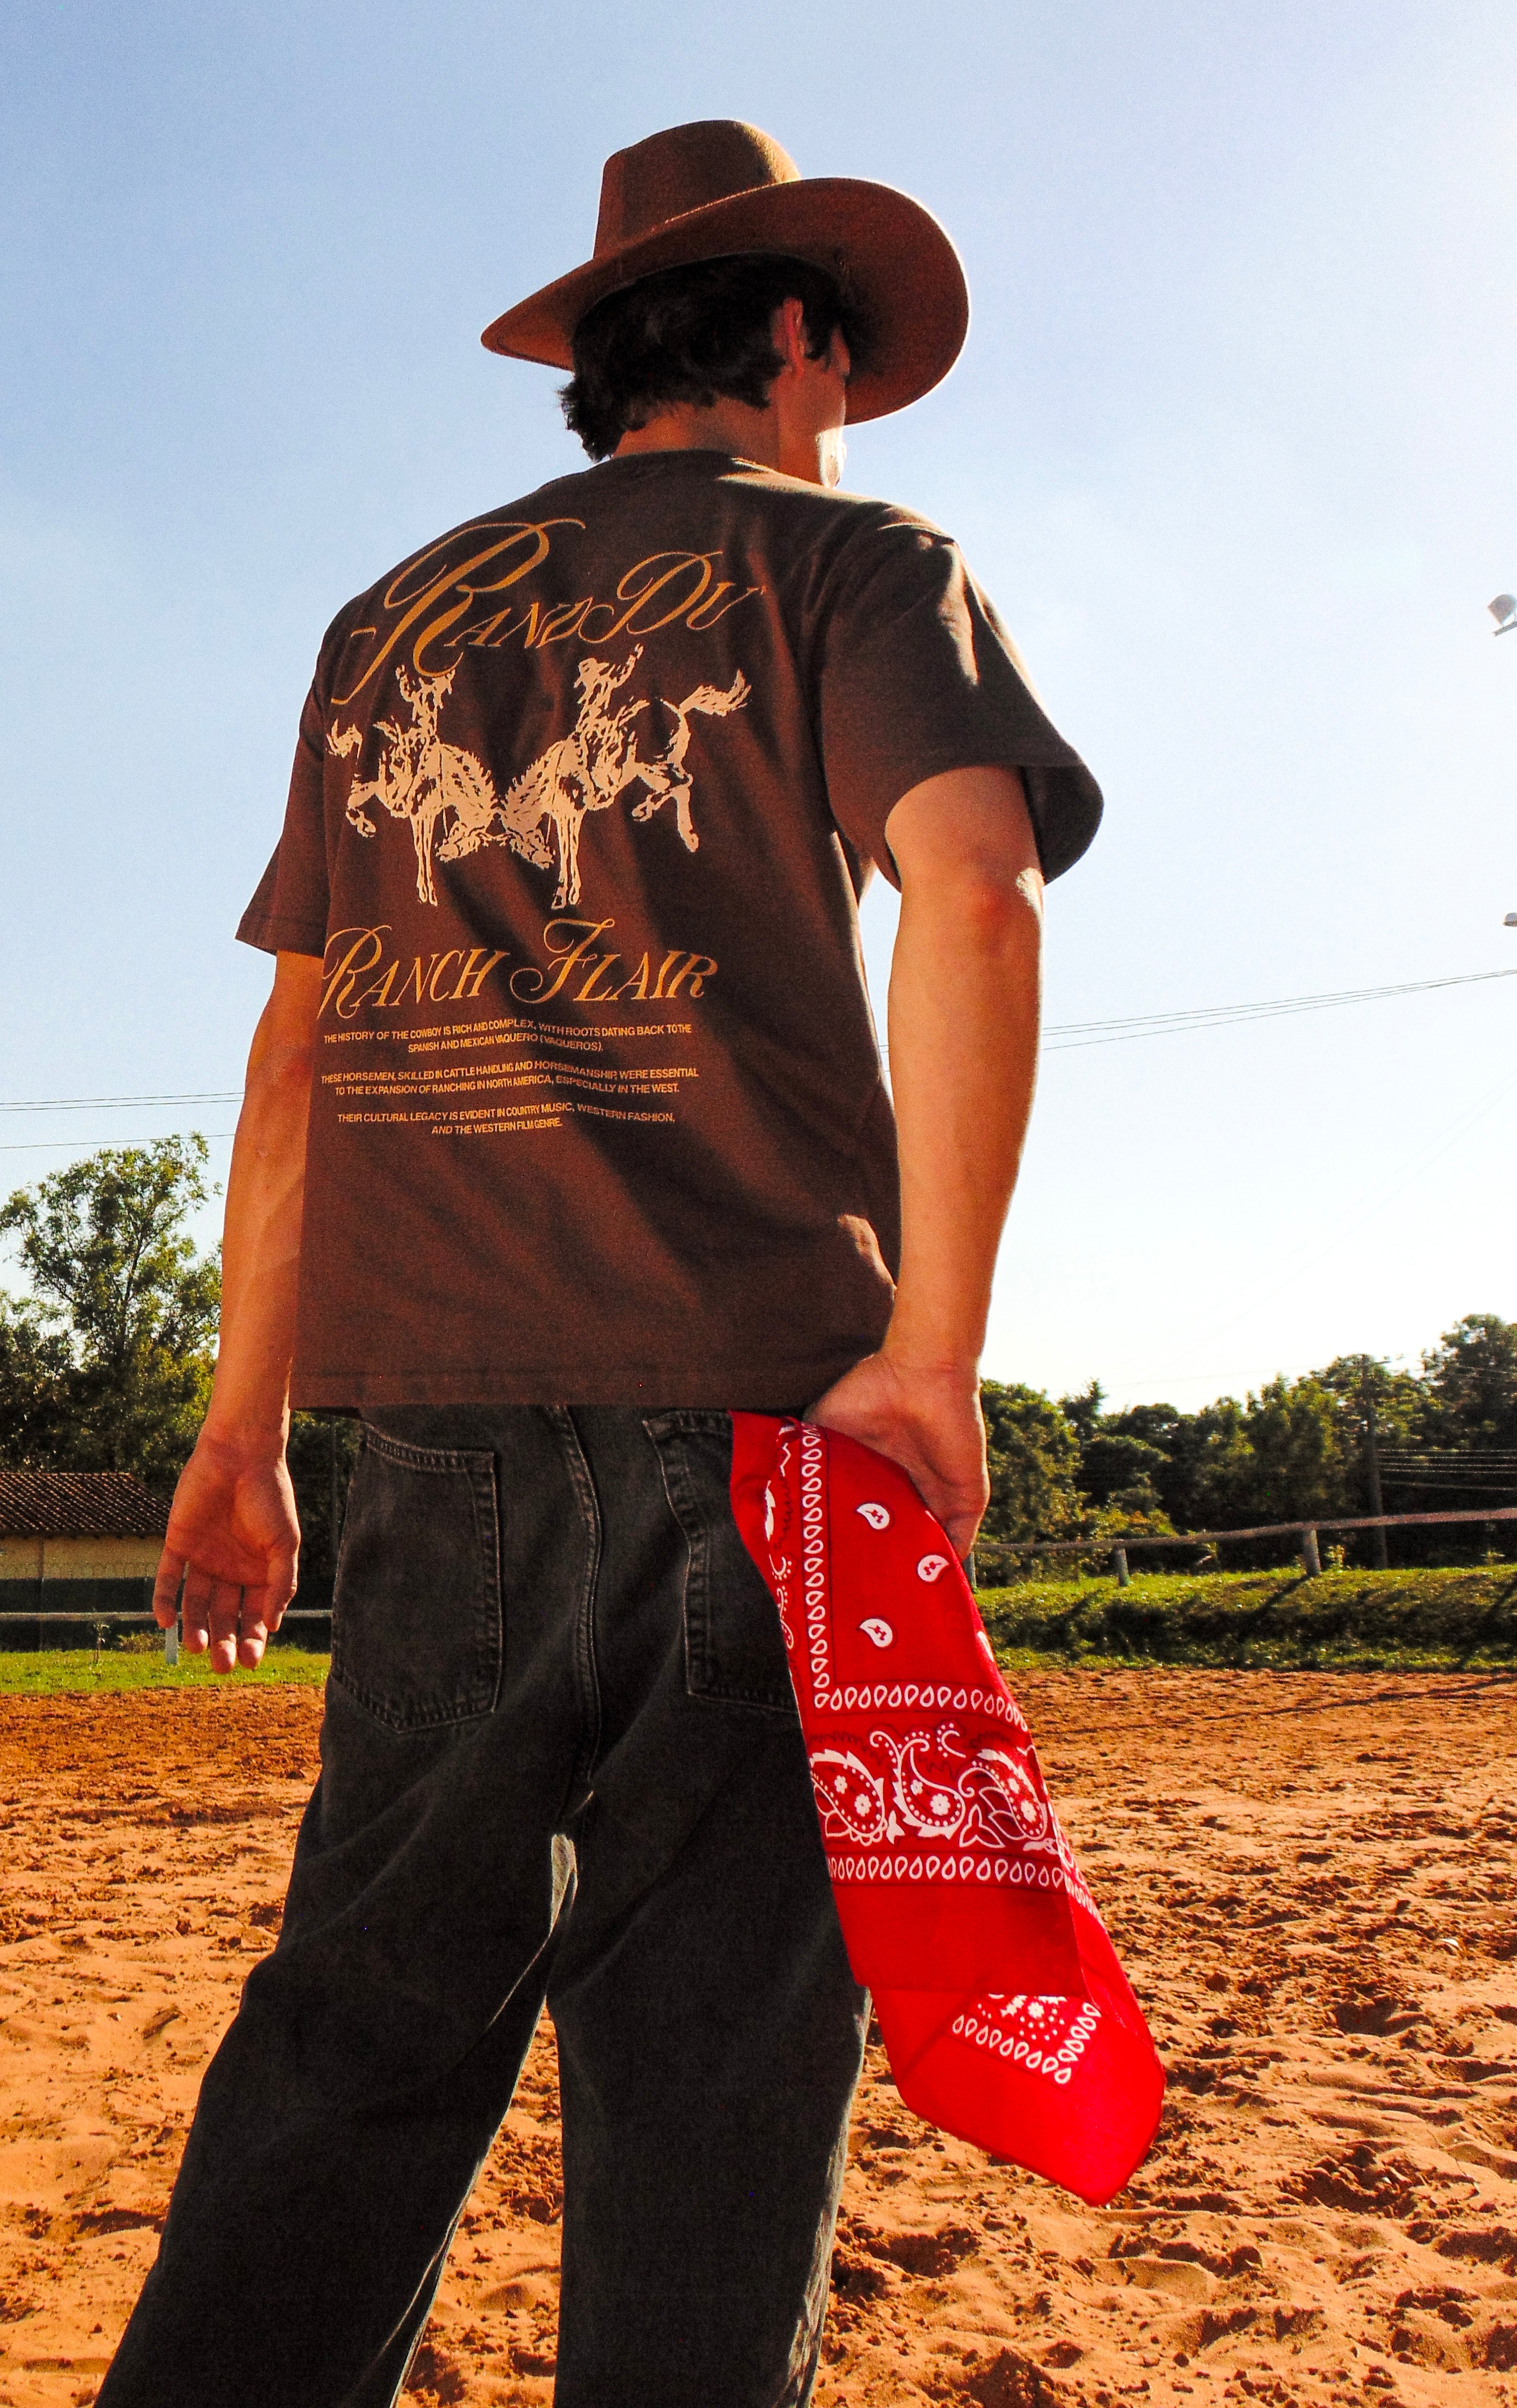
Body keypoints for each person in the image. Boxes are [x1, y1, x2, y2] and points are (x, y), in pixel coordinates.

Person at [98, 119, 1101, 2408]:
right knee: (718, 2057)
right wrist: (934, 1354)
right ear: (785, 334)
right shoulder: (856, 563)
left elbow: (296, 1045)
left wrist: (239, 1424)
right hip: (761, 1419)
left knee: (357, 2022)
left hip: (430, 1427)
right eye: (840, 361)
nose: (843, 408)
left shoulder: (391, 624)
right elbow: (973, 895)